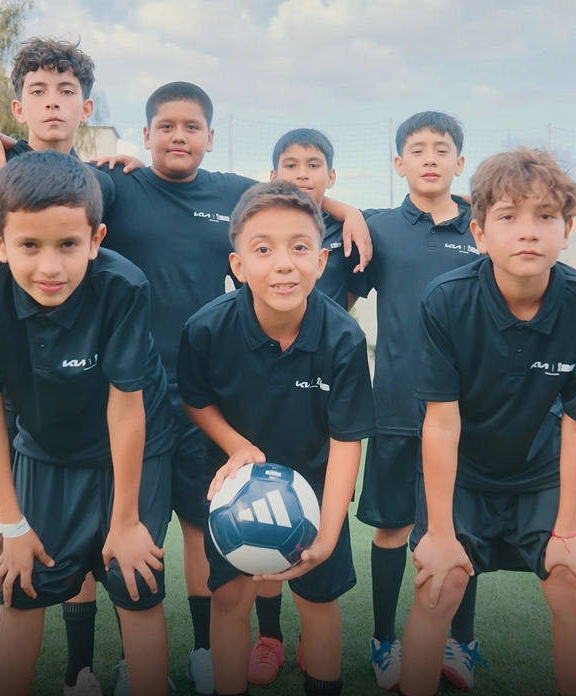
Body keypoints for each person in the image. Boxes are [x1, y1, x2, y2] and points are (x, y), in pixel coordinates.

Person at [0, 81, 372, 696]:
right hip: (81, 431)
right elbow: (50, 180)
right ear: (143, 137)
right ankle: (66, 668)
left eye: (192, 126)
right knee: (37, 581)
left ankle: (200, 654)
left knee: (190, 538)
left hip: (155, 410)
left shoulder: (216, 212)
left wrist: (347, 210)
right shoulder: (112, 189)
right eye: (165, 126)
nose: (50, 263)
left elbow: (288, 201)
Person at [0, 150, 176, 696]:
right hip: (46, 451)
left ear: (96, 240)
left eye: (68, 245)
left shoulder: (125, 287)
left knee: (135, 583)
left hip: (133, 453)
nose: (50, 267)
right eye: (29, 245)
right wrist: (12, 526)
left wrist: (125, 522)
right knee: (22, 587)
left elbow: (126, 406)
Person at [0, 37, 116, 696]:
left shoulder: (104, 183)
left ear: (85, 106)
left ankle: (79, 671)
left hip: (73, 386)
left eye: (66, 91)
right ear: (18, 104)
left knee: (80, 532)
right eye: (38, 91)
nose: (52, 103)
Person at [398, 147, 576, 696]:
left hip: (538, 475)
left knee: (572, 583)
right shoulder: (446, 301)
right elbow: (441, 424)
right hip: (463, 475)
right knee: (438, 585)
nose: (528, 232)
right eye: (509, 217)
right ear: (479, 233)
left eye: (545, 216)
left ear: (567, 231)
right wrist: (442, 534)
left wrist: (567, 531)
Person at [177, 180, 376, 696]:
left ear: (321, 261)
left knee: (318, 602)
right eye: (263, 249)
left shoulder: (344, 338)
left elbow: (347, 439)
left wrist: (328, 533)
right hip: (235, 490)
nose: (283, 263)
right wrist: (237, 446)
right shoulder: (206, 329)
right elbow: (195, 400)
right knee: (230, 599)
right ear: (238, 265)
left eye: (299, 247)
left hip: (313, 492)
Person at [351, 111, 484, 691]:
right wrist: (344, 211)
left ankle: (462, 642)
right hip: (398, 408)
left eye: (443, 148)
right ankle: (384, 642)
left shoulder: (485, 229)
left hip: (466, 414)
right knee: (391, 529)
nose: (430, 158)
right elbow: (338, 294)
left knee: (457, 529)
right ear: (398, 164)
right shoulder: (378, 229)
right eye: (417, 149)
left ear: (460, 162)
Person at [243, 127, 362, 685]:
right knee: (263, 541)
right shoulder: (254, 215)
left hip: (322, 385)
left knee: (315, 558)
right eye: (289, 165)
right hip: (264, 391)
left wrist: (347, 211)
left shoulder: (351, 237)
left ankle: (319, 655)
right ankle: (269, 637)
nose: (301, 173)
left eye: (313, 165)